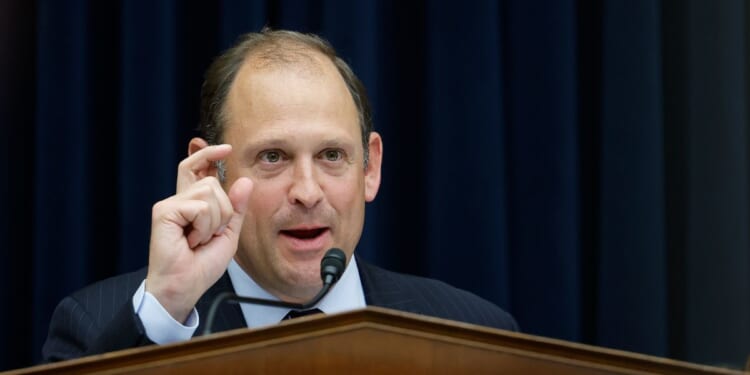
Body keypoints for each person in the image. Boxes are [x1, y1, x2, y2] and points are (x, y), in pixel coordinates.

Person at [42, 28, 518, 362]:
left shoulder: (475, 336)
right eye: (272, 157)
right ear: (211, 172)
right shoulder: (96, 326)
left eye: (332, 155)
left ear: (370, 167)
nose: (308, 192)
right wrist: (169, 305)